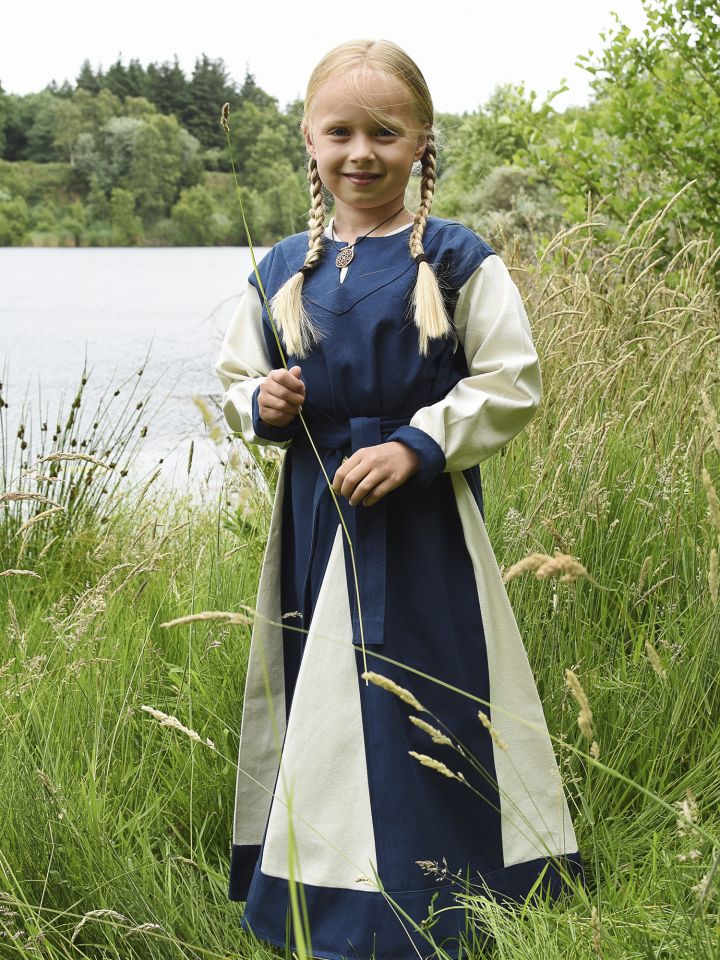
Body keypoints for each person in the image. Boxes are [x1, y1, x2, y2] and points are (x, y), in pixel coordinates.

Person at [215, 38, 584, 960]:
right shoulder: (280, 271)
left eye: (386, 131)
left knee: (431, 695)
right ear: (310, 141)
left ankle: (460, 895)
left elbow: (511, 380)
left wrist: (421, 443)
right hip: (314, 516)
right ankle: (323, 898)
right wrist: (258, 403)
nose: (361, 152)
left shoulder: (458, 260)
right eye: (340, 130)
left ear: (422, 143)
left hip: (423, 526)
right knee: (326, 703)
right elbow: (235, 374)